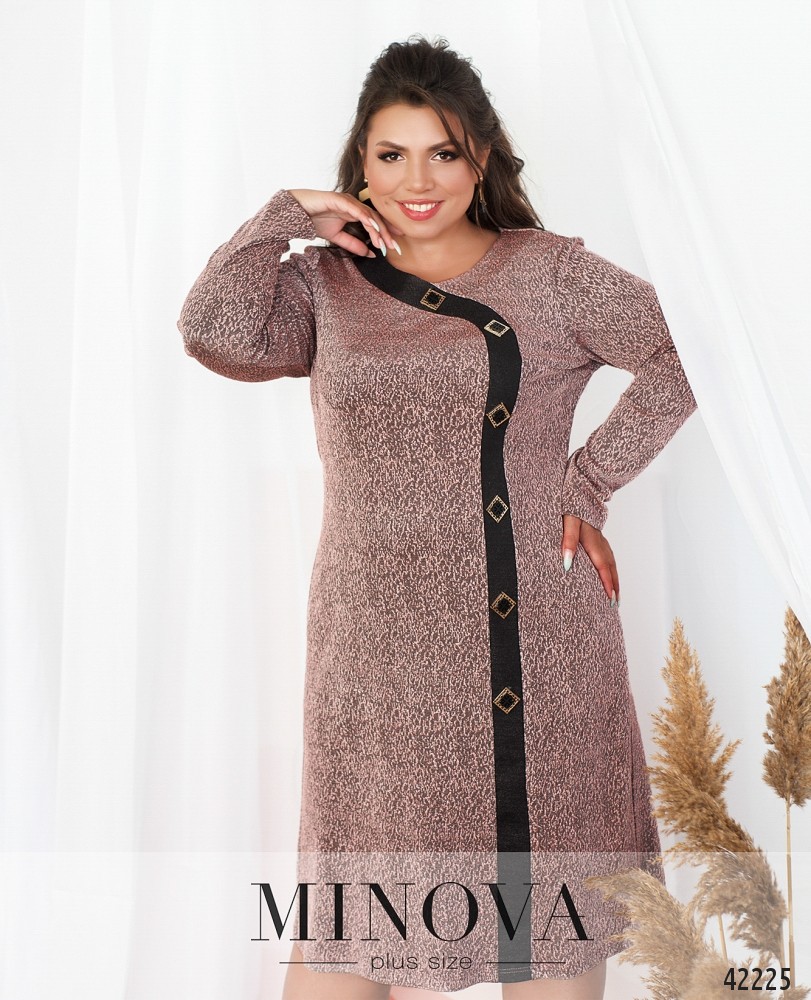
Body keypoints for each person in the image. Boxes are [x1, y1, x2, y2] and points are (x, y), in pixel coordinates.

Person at [177, 35, 698, 1000]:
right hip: (371, 653)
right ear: (360, 164)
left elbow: (689, 350)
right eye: (391, 155)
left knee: (544, 935)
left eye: (443, 153)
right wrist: (284, 216)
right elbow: (213, 333)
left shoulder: (549, 274)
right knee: (344, 938)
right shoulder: (323, 282)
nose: (417, 182)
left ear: (481, 157)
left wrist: (587, 484)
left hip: (528, 648)